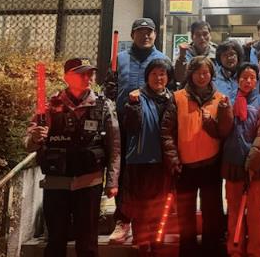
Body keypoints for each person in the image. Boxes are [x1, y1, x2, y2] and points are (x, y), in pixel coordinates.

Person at [25, 57, 120, 257]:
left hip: (89, 182)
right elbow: (29, 144)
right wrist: (35, 138)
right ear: (67, 77)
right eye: (81, 74)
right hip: (56, 183)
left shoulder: (103, 105)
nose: (87, 78)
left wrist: (112, 180)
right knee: (55, 241)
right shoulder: (50, 106)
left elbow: (114, 146)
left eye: (90, 73)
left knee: (87, 244)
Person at [161, 56, 234, 257]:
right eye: (197, 73)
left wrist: (222, 115)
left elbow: (224, 132)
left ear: (211, 74)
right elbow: (167, 131)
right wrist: (173, 159)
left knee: (213, 213)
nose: (202, 77)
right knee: (185, 216)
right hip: (185, 166)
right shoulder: (177, 98)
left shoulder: (220, 99)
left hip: (211, 164)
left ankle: (212, 250)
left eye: (205, 73)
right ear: (190, 74)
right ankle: (188, 251)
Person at [106, 17, 169, 244]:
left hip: (150, 128)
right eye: (141, 31)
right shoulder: (120, 58)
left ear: (155, 35)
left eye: (149, 31)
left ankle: (149, 223)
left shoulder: (162, 59)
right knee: (123, 175)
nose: (146, 35)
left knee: (149, 178)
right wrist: (109, 88)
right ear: (133, 35)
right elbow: (110, 90)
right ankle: (123, 221)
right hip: (123, 125)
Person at [221, 63, 260, 257]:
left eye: (252, 77)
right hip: (233, 165)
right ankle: (235, 251)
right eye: (244, 77)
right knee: (234, 212)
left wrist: (252, 164)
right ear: (237, 80)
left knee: (255, 213)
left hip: (255, 168)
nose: (248, 81)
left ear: (257, 80)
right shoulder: (227, 101)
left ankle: (255, 252)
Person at [121, 58, 174, 255]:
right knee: (141, 207)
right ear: (147, 76)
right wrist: (133, 105)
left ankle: (157, 243)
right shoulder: (136, 97)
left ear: (168, 77)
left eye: (162, 74)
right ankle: (143, 246)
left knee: (161, 206)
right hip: (141, 160)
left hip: (164, 161)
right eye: (154, 74)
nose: (158, 78)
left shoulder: (173, 99)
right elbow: (130, 126)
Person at [174, 20, 218, 85]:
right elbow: (179, 78)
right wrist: (182, 56)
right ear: (192, 37)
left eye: (205, 34)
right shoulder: (184, 52)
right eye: (198, 35)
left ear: (210, 36)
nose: (202, 38)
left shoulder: (217, 52)